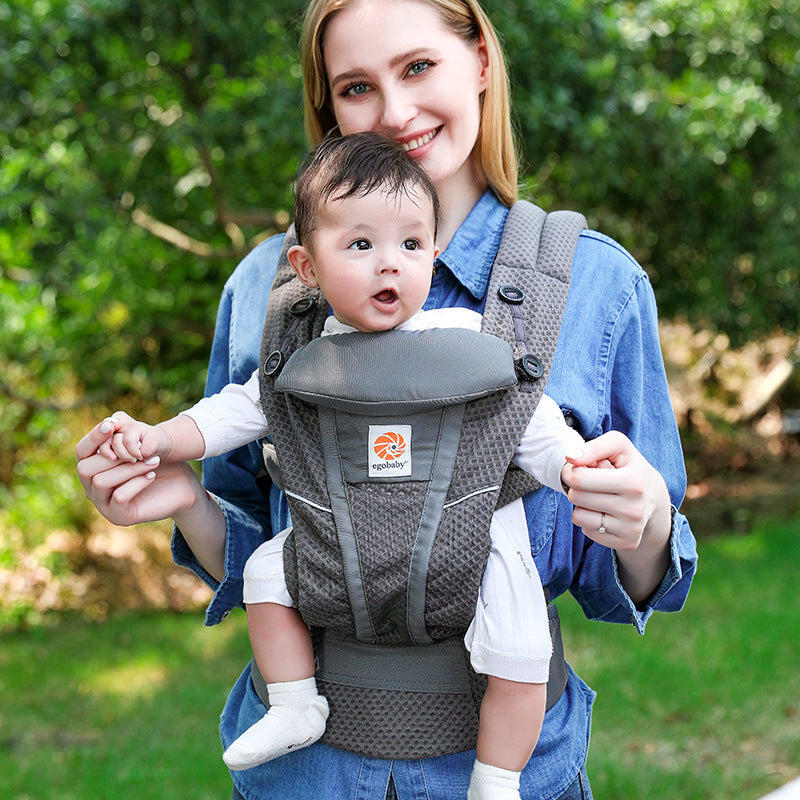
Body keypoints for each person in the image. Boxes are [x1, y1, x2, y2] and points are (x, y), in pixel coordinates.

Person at [75, 1, 699, 798]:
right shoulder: (271, 290)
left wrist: (642, 524)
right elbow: (248, 556)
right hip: (305, 777)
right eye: (356, 87)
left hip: (517, 768)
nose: (395, 113)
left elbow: (638, 584)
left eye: (418, 67)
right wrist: (183, 501)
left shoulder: (594, 284)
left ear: (479, 62)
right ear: (329, 108)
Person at [97, 131, 586, 799]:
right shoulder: (305, 358)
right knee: (270, 569)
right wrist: (155, 441)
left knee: (521, 640)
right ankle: (296, 703)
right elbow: (226, 415)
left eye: (411, 244)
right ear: (306, 265)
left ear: (433, 251)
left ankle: (497, 779)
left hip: (470, 532)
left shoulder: (470, 340)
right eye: (361, 245)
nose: (391, 264)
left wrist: (577, 470)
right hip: (341, 537)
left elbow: (532, 425)